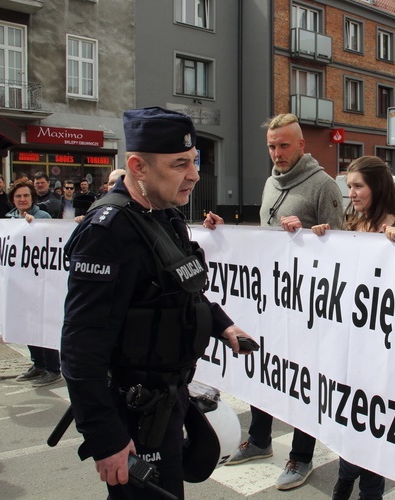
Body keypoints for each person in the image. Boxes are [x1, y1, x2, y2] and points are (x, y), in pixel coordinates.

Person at [61, 106, 255, 499]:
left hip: (169, 400)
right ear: (138, 166)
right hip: (133, 414)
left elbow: (181, 289)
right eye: (179, 164)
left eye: (194, 161)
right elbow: (81, 349)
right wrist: (107, 439)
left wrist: (222, 324)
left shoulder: (164, 215)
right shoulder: (109, 232)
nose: (194, 175)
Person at [204, 113, 343, 491]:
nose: (277, 152)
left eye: (284, 145)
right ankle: (261, 441)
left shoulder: (324, 186)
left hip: (308, 307)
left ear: (301, 146)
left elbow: (342, 248)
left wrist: (311, 238)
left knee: (301, 380)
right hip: (271, 302)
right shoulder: (270, 182)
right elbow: (264, 241)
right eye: (271, 145)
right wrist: (224, 233)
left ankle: (301, 456)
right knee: (266, 371)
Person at [311, 156, 395, 500]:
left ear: (378, 187)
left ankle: (367, 492)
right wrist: (322, 239)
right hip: (351, 345)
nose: (352, 194)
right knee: (352, 422)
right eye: (349, 187)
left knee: (375, 425)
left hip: (384, 351)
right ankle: (345, 479)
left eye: (358, 186)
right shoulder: (352, 222)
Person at [6, 180, 62, 387]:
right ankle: (37, 364)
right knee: (27, 324)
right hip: (21, 282)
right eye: (18, 196)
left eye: (26, 196)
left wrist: (33, 225)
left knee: (43, 324)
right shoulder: (10, 218)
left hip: (41, 281)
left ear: (33, 198)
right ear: (13, 199)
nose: (22, 199)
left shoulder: (42, 217)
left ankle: (53, 368)